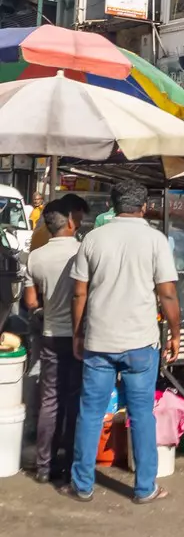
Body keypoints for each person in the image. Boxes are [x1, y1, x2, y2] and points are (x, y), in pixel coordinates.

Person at [67, 181, 179, 504]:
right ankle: (145, 488)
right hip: (141, 344)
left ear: (113, 205)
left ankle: (83, 484)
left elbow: (79, 293)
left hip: (99, 340)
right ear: (143, 206)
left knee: (90, 412)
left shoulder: (92, 239)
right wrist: (176, 333)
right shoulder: (156, 240)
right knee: (143, 414)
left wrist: (78, 333)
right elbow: (168, 293)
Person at [22, 194, 87, 486]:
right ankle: (70, 462)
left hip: (48, 335)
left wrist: (42, 311)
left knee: (50, 401)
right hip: (78, 336)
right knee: (74, 400)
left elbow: (31, 300)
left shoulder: (35, 257)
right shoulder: (83, 251)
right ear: (70, 222)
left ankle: (45, 466)